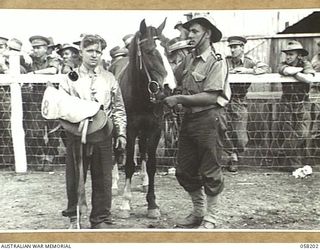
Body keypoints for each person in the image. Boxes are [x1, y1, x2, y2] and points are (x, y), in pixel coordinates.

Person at [163, 13, 230, 229]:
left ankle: (211, 217)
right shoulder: (189, 60)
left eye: (195, 31)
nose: (190, 35)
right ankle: (198, 211)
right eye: (189, 31)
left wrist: (179, 99)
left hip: (209, 118)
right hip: (189, 120)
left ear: (207, 34)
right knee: (184, 169)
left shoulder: (216, 61)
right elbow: (172, 79)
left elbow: (211, 96)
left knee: (210, 169)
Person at [59, 34, 127, 229]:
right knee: (75, 177)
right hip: (77, 133)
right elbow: (61, 106)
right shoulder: (69, 79)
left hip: (103, 133)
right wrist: (74, 125)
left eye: (98, 51)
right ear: (81, 52)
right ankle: (75, 217)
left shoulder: (109, 78)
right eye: (90, 51)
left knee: (104, 178)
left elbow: (118, 107)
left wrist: (121, 133)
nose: (94, 55)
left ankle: (100, 218)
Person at [225, 36, 270, 172]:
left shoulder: (249, 62)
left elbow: (265, 67)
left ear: (242, 48)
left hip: (240, 100)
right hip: (225, 99)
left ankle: (237, 151)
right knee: (224, 129)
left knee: (241, 136)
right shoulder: (225, 61)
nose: (232, 50)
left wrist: (247, 70)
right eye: (231, 47)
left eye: (235, 47)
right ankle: (232, 157)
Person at [274, 40, 315, 168]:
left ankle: (281, 151)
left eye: (291, 54)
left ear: (299, 55)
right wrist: (298, 72)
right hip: (286, 102)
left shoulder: (306, 63)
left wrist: (295, 72)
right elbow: (284, 70)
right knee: (289, 132)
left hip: (303, 102)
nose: (288, 57)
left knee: (302, 133)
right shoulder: (283, 64)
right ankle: (295, 166)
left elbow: (309, 78)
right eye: (286, 54)